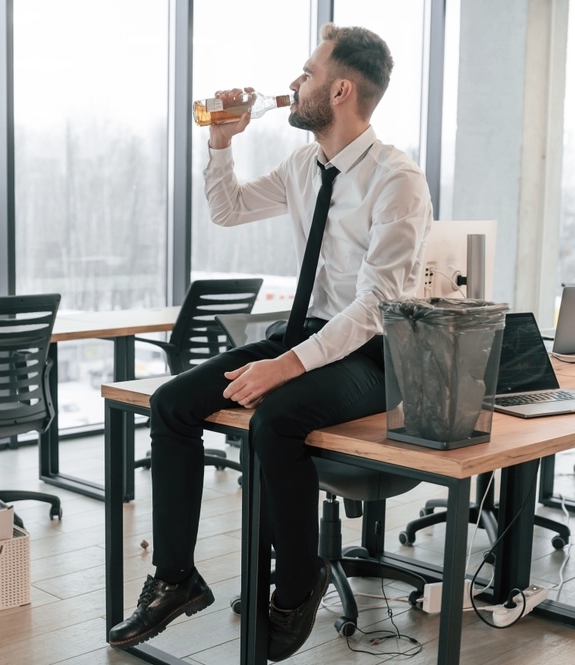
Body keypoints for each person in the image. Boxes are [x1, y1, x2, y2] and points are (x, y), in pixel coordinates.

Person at [107, 23, 432, 661]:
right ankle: (177, 577)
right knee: (174, 403)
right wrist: (220, 144)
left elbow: (374, 307)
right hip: (311, 334)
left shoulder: (397, 180)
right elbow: (228, 209)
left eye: (306, 73)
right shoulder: (303, 164)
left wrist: (284, 366)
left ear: (340, 90)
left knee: (275, 419)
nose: (292, 84)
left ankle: (296, 585)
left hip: (373, 352)